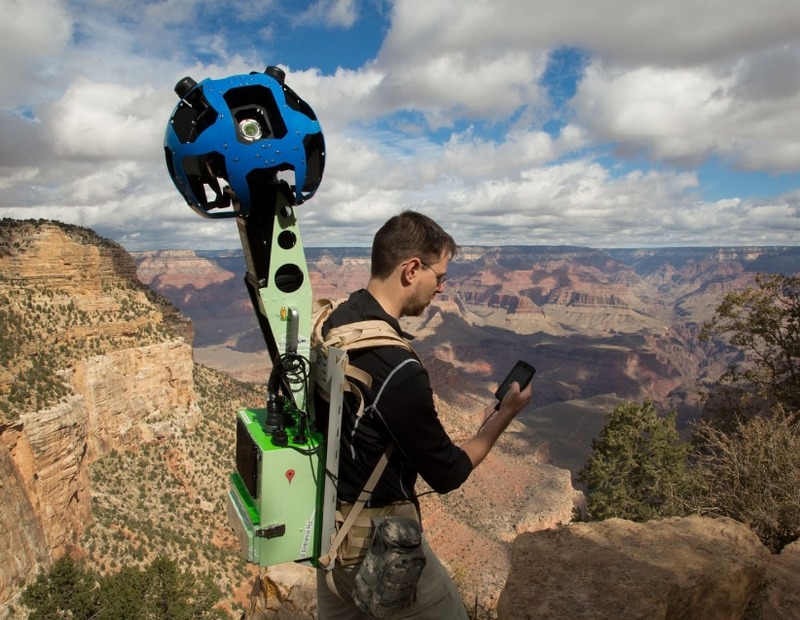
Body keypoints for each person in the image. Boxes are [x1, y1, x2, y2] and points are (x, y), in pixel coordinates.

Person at [315, 210, 532, 619]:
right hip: (376, 550)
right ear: (412, 269)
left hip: (330, 539)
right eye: (441, 276)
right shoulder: (397, 367)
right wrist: (504, 415)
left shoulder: (336, 319)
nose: (442, 289)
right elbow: (447, 473)